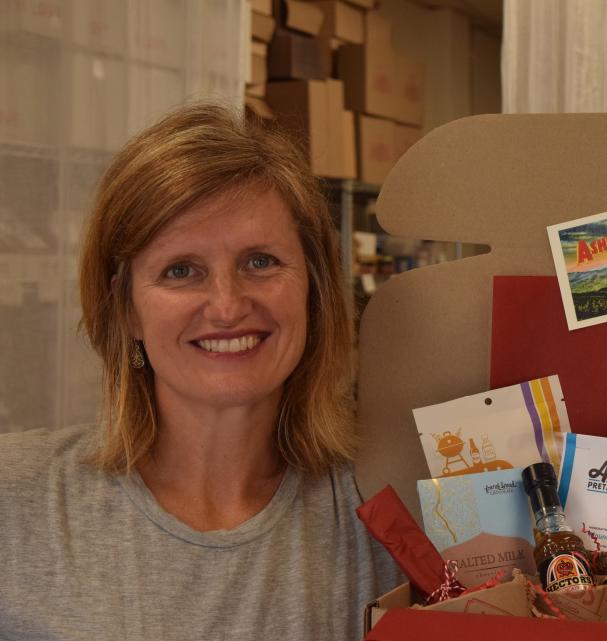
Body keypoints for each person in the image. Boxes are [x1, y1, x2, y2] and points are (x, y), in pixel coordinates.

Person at [0, 103, 402, 640]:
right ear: (126, 311)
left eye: (259, 261)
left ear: (314, 289)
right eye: (181, 270)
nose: (227, 305)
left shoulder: (398, 511)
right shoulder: (15, 501)